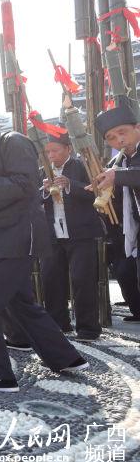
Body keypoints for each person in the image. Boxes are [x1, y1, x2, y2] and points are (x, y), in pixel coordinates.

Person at [0, 86, 85, 392]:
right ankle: (66, 357)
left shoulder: (13, 141)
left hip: (14, 239)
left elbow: (25, 185)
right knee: (20, 304)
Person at [39, 121, 103, 342]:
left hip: (81, 233)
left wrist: (69, 185)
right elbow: (33, 200)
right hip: (53, 233)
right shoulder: (42, 172)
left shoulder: (82, 166)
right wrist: (45, 191)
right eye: (47, 152)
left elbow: (96, 195)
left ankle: (88, 329)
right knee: (51, 280)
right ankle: (58, 324)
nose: (51, 155)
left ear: (68, 149)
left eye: (55, 150)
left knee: (83, 280)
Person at [93, 104, 140, 322]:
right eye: (111, 137)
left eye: (123, 133)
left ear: (137, 128)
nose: (118, 140)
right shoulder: (115, 162)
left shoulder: (117, 169)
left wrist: (117, 177)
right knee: (125, 272)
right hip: (128, 229)